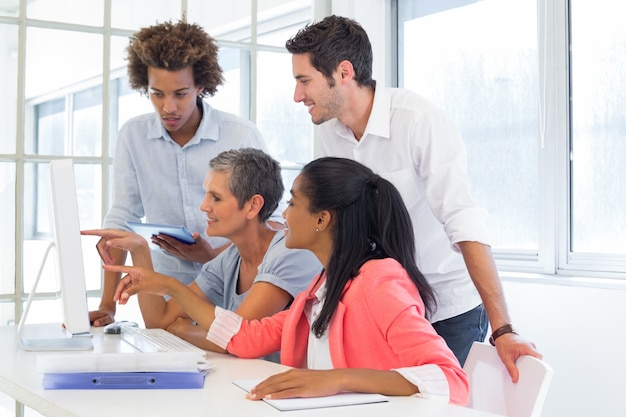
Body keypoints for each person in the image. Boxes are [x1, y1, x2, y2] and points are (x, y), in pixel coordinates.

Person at [284, 15, 540, 379]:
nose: (297, 96)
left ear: (343, 72)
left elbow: (463, 219)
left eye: (303, 80)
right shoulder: (330, 133)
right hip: (386, 306)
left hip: (447, 308)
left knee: (440, 399)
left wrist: (503, 329)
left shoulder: (418, 121)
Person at [112, 157, 469, 404]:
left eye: (293, 204)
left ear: (321, 219)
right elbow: (247, 338)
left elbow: (448, 377)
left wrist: (338, 379)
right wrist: (169, 286)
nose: (284, 214)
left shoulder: (380, 280)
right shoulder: (322, 289)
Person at [90, 20, 270, 327]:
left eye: (181, 93)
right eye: (157, 93)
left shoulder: (240, 134)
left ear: (201, 86)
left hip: (236, 286)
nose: (168, 107)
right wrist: (108, 306)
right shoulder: (133, 136)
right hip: (165, 294)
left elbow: (272, 222)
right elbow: (121, 218)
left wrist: (212, 253)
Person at [83, 148, 321, 355]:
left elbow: (236, 338)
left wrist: (180, 316)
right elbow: (160, 322)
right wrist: (140, 249)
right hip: (244, 383)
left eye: (215, 197)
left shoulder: (292, 253)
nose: (203, 206)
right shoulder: (230, 259)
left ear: (253, 205)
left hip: (289, 397)